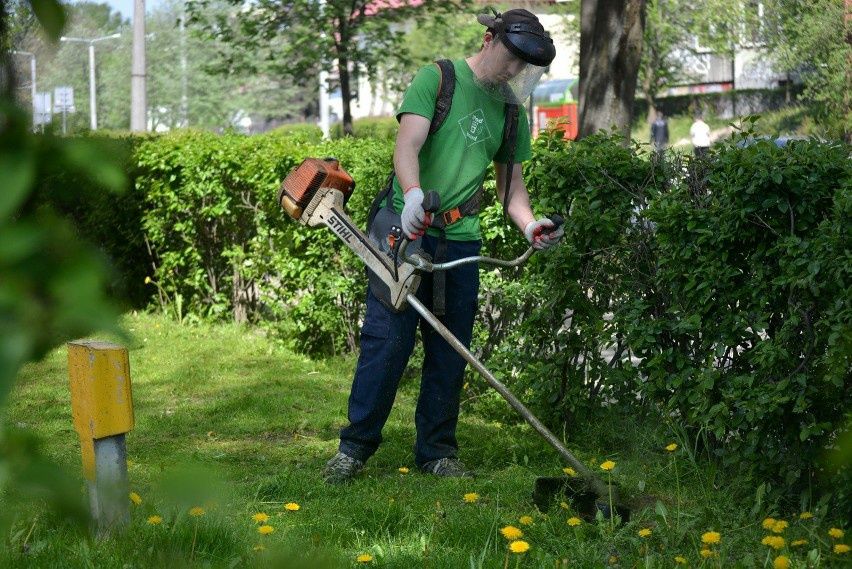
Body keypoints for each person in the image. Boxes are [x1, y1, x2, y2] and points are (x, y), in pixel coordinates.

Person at [323, 8, 564, 484]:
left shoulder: (511, 109)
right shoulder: (439, 78)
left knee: (450, 349)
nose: (516, 71)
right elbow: (407, 145)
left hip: (460, 240)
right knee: (386, 343)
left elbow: (510, 185)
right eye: (512, 59)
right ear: (490, 38)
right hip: (405, 230)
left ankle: (436, 452)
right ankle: (354, 449)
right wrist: (412, 196)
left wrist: (530, 223)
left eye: (526, 66)